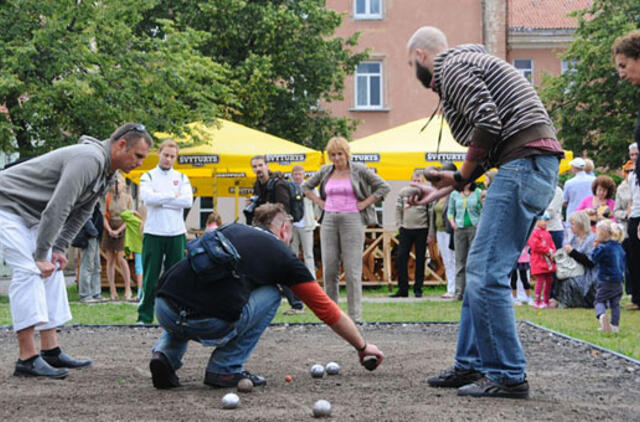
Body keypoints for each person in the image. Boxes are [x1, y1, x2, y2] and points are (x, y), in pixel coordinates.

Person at [407, 26, 563, 399]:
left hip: (523, 165)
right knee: (483, 270)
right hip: (529, 165)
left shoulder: (452, 68)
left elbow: (488, 122)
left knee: (485, 272)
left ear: (422, 57)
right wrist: (446, 186)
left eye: (411, 62)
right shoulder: (473, 62)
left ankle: (508, 375)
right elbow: (493, 137)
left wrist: (462, 174)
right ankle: (471, 363)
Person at [148, 203, 385, 389]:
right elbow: (326, 310)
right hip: (207, 322)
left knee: (188, 295)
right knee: (272, 293)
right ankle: (224, 368)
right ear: (284, 229)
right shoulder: (283, 257)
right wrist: (362, 346)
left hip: (164, 307)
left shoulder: (229, 228)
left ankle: (165, 356)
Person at [0, 122, 152, 378]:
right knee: (29, 270)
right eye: (138, 156)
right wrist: (40, 256)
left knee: (54, 270)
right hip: (6, 205)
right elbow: (58, 206)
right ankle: (27, 359)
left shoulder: (107, 172)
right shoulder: (89, 160)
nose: (140, 163)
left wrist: (58, 248)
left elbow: (82, 211)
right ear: (121, 145)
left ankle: (51, 351)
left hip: (28, 214)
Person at [302, 137, 390, 322]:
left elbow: (383, 187)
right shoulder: (326, 170)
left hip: (352, 219)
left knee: (352, 269)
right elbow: (305, 186)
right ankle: (331, 315)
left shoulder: (359, 169)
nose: (336, 158)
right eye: (332, 155)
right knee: (330, 268)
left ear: (346, 153)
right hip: (329, 220)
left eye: (339, 154)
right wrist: (320, 202)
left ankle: (355, 316)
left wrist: (365, 203)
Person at [137, 139, 193, 324]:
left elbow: (187, 201)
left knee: (176, 278)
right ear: (159, 153)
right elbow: (147, 198)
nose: (168, 159)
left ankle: (175, 316)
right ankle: (145, 317)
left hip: (176, 232)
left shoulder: (182, 177)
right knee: (150, 277)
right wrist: (171, 196)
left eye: (172, 156)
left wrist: (161, 199)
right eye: (166, 155)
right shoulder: (148, 176)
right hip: (154, 232)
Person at [247, 155, 304, 315]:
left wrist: (264, 209)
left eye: (260, 166)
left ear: (267, 166)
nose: (258, 169)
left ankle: (298, 304)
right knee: (272, 266)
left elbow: (283, 209)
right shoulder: (258, 185)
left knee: (283, 265)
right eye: (255, 167)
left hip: (281, 230)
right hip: (266, 230)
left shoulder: (278, 184)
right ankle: (293, 303)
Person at [390, 170, 434, 298]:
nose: (416, 183)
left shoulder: (427, 195)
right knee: (401, 257)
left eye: (419, 181)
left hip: (422, 229)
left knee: (420, 259)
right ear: (410, 181)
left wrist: (431, 232)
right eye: (414, 180)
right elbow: (398, 209)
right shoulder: (403, 192)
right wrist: (399, 225)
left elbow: (431, 214)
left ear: (423, 182)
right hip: (406, 229)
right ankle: (403, 289)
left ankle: (418, 289)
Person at [102, 172, 135, 301]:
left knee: (121, 258)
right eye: (114, 182)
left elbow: (130, 216)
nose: (116, 185)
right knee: (109, 260)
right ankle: (112, 289)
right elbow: (104, 215)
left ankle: (128, 288)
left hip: (123, 227)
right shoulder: (107, 197)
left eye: (119, 182)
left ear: (123, 184)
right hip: (109, 227)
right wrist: (109, 229)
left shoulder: (128, 198)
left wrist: (119, 230)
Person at [447, 181, 483, 301]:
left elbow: (483, 210)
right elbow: (450, 211)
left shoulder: (478, 193)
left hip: (474, 228)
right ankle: (458, 292)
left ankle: (473, 291)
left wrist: (480, 223)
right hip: (459, 228)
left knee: (473, 260)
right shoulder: (454, 194)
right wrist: (453, 224)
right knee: (460, 260)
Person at [555, 211, 597, 308]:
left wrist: (572, 252)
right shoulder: (575, 238)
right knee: (560, 275)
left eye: (573, 224)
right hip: (576, 269)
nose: (570, 227)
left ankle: (571, 302)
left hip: (590, 273)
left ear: (580, 224)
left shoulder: (592, 239)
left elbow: (591, 262)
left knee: (571, 281)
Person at [591, 220, 626, 333]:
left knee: (599, 301)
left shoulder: (603, 248)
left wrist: (595, 248)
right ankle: (615, 326)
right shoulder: (620, 248)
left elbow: (594, 259)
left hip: (605, 280)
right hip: (618, 280)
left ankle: (602, 316)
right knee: (615, 304)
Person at [289, 164, 318, 284]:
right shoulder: (289, 187)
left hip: (307, 225)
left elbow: (318, 202)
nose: (297, 176)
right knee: (292, 253)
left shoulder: (310, 187)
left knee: (308, 254)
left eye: (300, 174)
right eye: (295, 174)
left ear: (303, 174)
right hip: (293, 225)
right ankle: (294, 279)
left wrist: (315, 217)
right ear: (292, 175)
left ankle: (312, 280)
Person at [432, 162, 457, 299]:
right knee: (446, 260)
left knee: (453, 259)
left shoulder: (454, 192)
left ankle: (454, 288)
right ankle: (450, 287)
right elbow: (432, 214)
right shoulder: (438, 192)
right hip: (439, 230)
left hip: (450, 231)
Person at [72, 202, 106, 303]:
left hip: (95, 236)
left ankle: (96, 293)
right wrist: (93, 231)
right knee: (87, 265)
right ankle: (85, 295)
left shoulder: (94, 199)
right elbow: (84, 217)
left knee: (96, 265)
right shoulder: (87, 199)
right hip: (89, 236)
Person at [527, 215, 556, 309]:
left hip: (548, 262)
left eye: (546, 221)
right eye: (543, 220)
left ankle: (546, 300)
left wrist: (553, 252)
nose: (545, 223)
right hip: (539, 261)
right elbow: (535, 245)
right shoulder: (534, 233)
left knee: (549, 280)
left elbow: (552, 244)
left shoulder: (547, 233)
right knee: (540, 281)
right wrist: (547, 250)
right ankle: (537, 301)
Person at [563, 158, 596, 224]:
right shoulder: (594, 180)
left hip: (573, 215)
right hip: (590, 215)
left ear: (574, 168)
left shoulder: (569, 183)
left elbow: (565, 201)